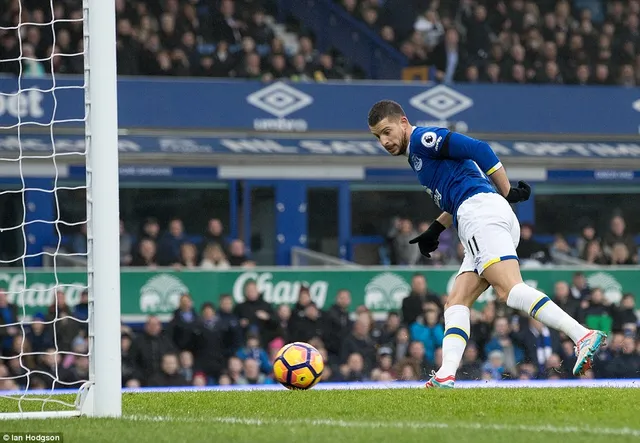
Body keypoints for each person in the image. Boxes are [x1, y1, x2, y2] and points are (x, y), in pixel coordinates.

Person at [367, 100, 606, 388]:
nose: (384, 141)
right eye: (378, 136)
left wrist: (507, 190)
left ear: (403, 122)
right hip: (481, 215)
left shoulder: (422, 139)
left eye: (387, 131)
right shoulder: (416, 155)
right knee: (456, 301)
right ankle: (446, 374)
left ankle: (581, 334)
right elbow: (461, 189)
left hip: (480, 215)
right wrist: (436, 228)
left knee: (510, 290)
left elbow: (479, 149)